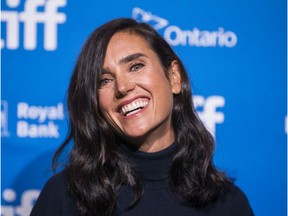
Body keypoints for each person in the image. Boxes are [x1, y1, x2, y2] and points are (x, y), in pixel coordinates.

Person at [30, 18, 254, 216]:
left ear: (174, 77)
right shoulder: (65, 198)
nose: (123, 87)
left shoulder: (228, 204)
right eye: (104, 80)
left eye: (136, 66)